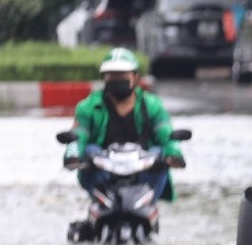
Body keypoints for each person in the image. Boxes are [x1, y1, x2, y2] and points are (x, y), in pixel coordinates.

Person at [66, 48, 184, 201]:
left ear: (135, 77)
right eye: (111, 76)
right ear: (104, 78)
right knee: (90, 150)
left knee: (158, 152)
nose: (117, 80)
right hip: (103, 174)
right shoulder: (87, 107)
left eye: (122, 75)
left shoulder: (153, 105)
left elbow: (166, 134)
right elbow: (79, 134)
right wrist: (72, 154)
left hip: (143, 173)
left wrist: (173, 153)